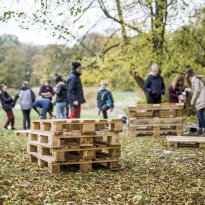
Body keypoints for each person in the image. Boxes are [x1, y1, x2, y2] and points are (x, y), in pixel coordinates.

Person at [186, 68, 205, 135]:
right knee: (199, 115)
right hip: (201, 99)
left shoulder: (194, 79)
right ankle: (200, 130)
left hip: (201, 99)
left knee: (200, 115)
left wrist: (192, 100)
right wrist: (187, 89)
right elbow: (195, 90)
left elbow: (197, 91)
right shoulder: (196, 79)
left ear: (188, 76)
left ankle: (203, 130)